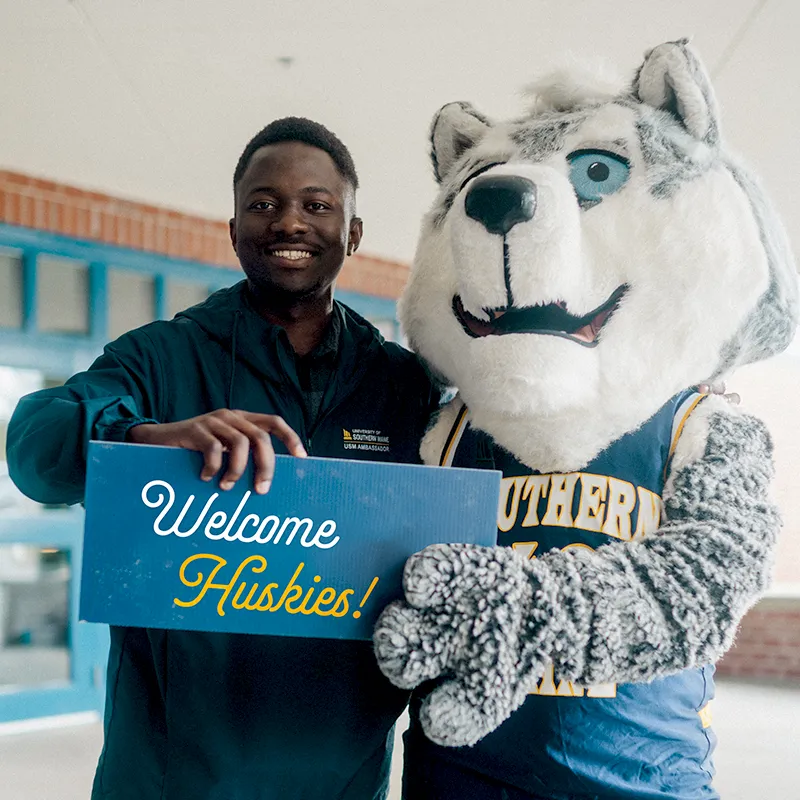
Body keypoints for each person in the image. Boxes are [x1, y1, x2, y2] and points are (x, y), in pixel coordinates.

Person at [7, 118, 439, 800]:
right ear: (233, 228)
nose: (288, 222)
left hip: (342, 779)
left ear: (353, 234)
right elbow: (34, 451)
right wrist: (142, 438)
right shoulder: (160, 356)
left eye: (317, 205)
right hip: (167, 777)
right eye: (263, 203)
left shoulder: (403, 386)